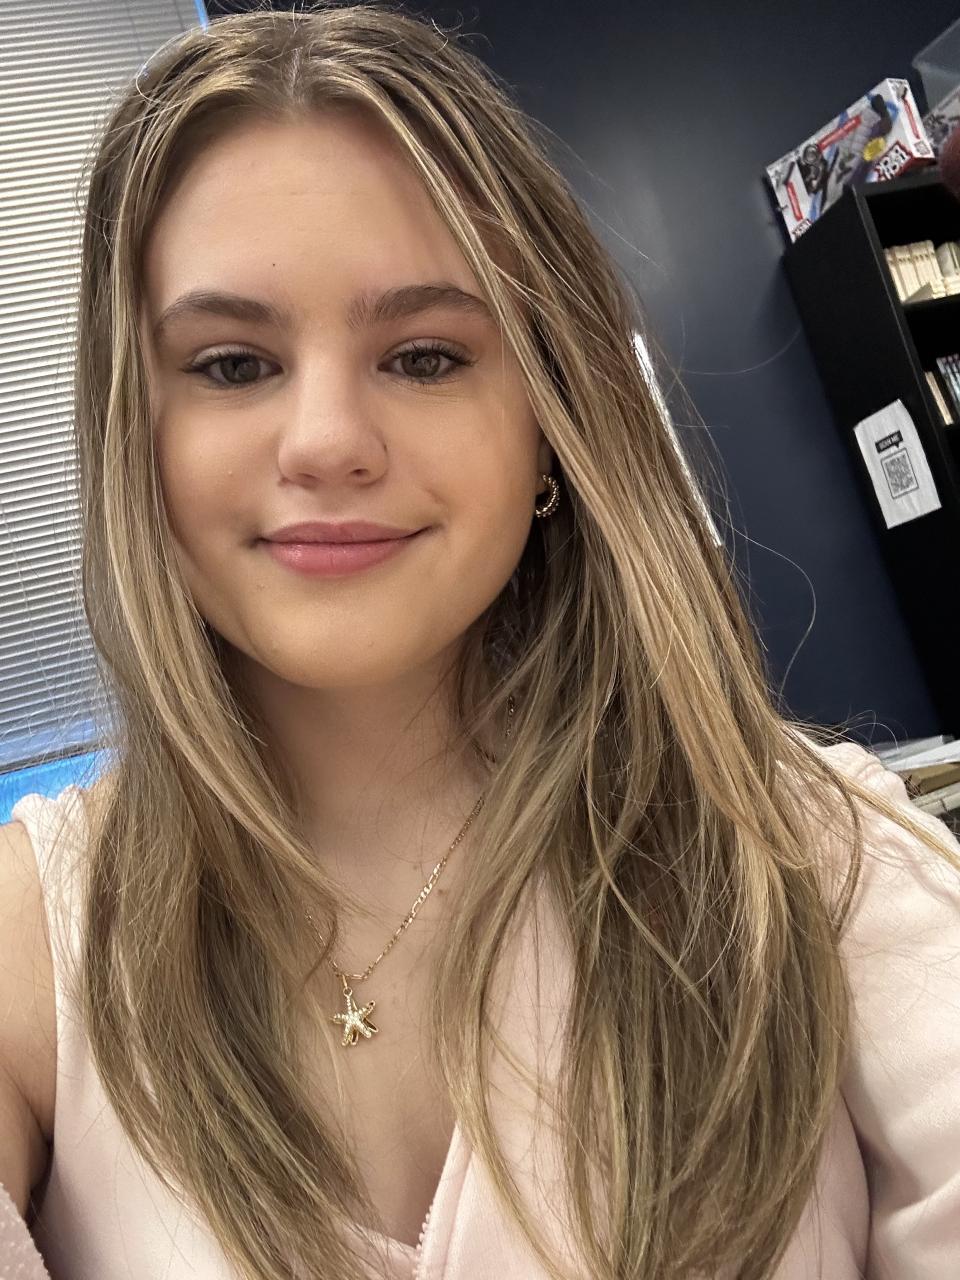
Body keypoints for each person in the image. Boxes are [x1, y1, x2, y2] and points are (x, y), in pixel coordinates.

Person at [1, 6, 959, 1279]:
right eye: (231, 365)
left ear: (547, 424)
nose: (326, 441)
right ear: (136, 432)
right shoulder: (37, 937)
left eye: (423, 355)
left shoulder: (806, 856)